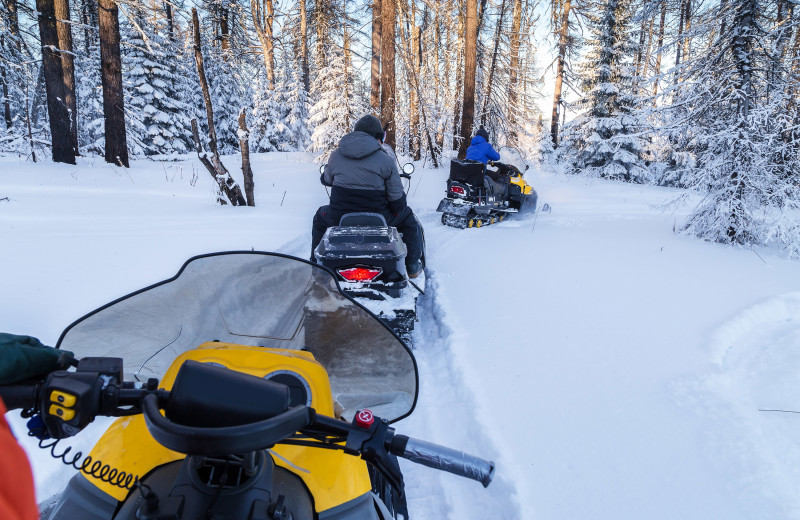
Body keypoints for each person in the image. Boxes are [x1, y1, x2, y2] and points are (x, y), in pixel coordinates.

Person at [311, 114, 424, 278]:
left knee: (319, 217)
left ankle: (315, 266)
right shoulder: (385, 160)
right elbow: (397, 202)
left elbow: (326, 179)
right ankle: (412, 267)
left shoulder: (335, 156)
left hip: (338, 218)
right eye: (382, 138)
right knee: (408, 217)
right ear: (377, 137)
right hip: (379, 218)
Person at [465, 126, 509, 199]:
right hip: (480, 172)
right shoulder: (486, 146)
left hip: (469, 172)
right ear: (486, 138)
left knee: (487, 174)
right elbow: (496, 157)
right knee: (498, 177)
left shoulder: (470, 147)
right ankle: (497, 196)